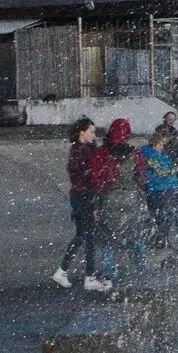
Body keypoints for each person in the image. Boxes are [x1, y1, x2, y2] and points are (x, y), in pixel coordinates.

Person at [56, 117, 106, 290]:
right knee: (87, 235)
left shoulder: (83, 149)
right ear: (81, 133)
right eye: (91, 131)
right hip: (83, 197)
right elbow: (83, 175)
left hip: (81, 196)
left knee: (83, 235)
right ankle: (88, 277)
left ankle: (64, 271)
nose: (94, 134)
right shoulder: (80, 151)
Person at [95, 118, 146, 282]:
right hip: (131, 198)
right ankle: (141, 269)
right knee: (135, 235)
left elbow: (97, 180)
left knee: (109, 237)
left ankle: (108, 274)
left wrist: (98, 201)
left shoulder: (102, 153)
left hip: (110, 198)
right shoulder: (135, 153)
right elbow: (142, 177)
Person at [140, 125, 178, 247]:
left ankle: (162, 240)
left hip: (168, 188)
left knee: (166, 216)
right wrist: (175, 169)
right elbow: (161, 172)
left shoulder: (162, 155)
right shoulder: (150, 156)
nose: (162, 147)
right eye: (159, 145)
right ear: (154, 144)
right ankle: (159, 241)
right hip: (159, 189)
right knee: (162, 217)